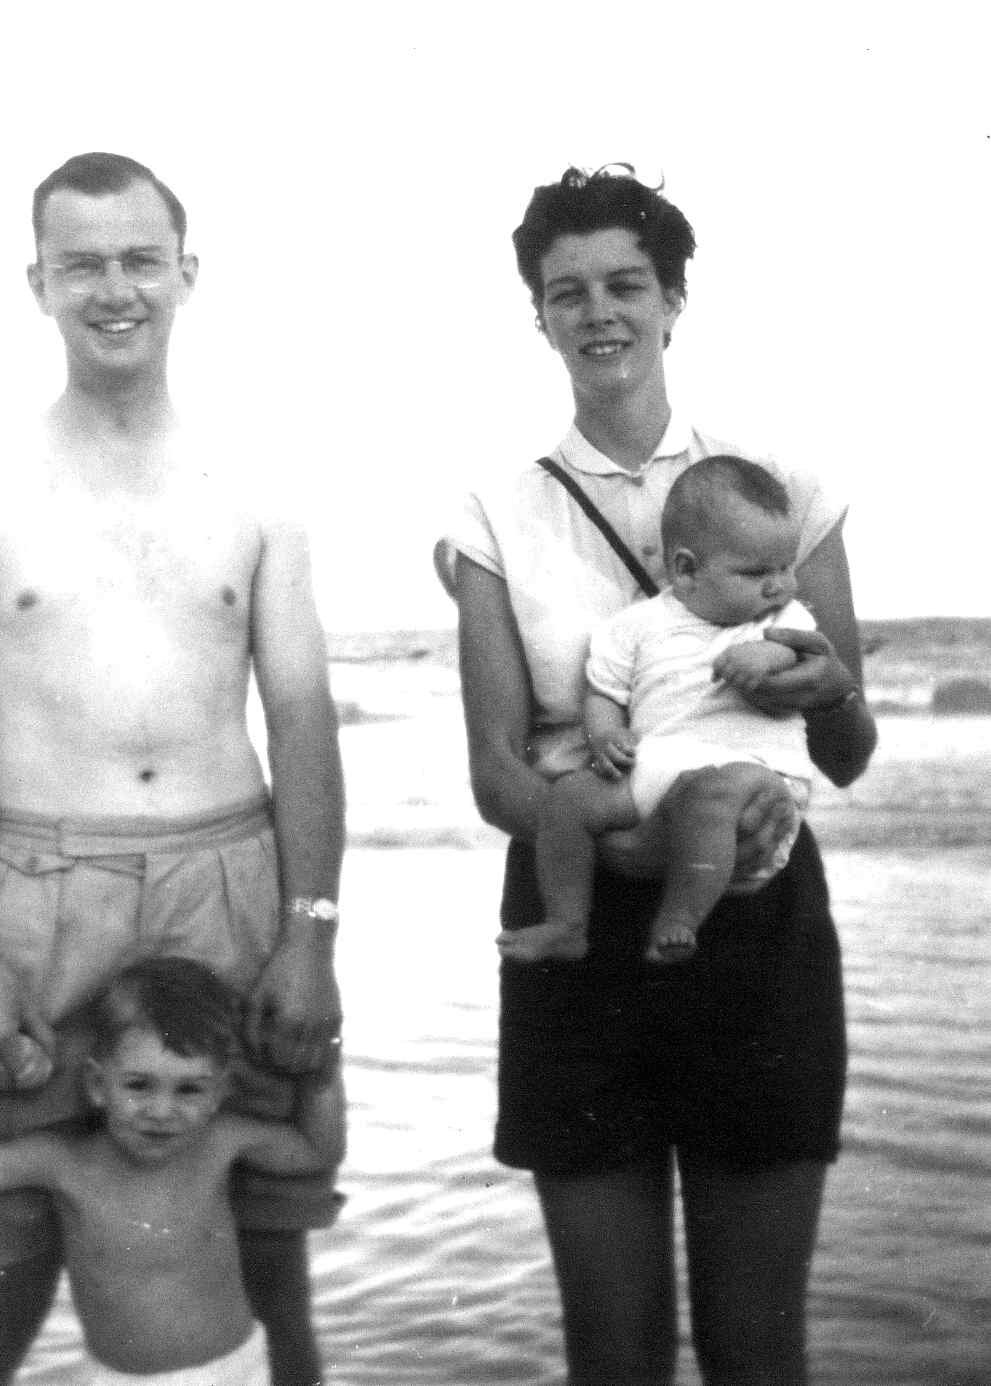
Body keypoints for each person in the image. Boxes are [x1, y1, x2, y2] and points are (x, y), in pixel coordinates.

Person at [0, 151, 346, 1386]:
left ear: (187, 275)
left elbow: (301, 719)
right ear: (35, 282)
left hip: (229, 881)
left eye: (140, 258)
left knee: (267, 1286)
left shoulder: (258, 482)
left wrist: (310, 932)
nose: (114, 288)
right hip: (35, 891)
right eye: (81, 263)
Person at [437, 165, 877, 1384]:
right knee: (611, 1356)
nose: (598, 313)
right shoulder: (494, 508)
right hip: (577, 936)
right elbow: (491, 773)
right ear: (536, 315)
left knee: (754, 1350)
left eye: (625, 283)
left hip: (756, 929)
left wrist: (830, 688)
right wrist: (623, 844)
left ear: (675, 298)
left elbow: (848, 757)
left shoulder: (779, 481)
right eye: (565, 291)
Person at [0, 957, 347, 1386]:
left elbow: (315, 1153)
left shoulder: (221, 1143)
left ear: (220, 1092)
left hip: (234, 1372)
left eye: (190, 1089)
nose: (161, 1111)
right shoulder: (68, 1163)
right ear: (98, 1086)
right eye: (138, 1085)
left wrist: (321, 1082)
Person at [499, 454, 817, 967]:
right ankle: (566, 923)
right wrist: (606, 736)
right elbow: (605, 691)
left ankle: (680, 919)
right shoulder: (638, 625)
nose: (779, 584)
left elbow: (806, 652)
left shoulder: (781, 617)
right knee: (569, 799)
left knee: (711, 796)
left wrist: (769, 653)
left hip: (753, 773)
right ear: (686, 570)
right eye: (757, 572)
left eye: (786, 566)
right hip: (658, 765)